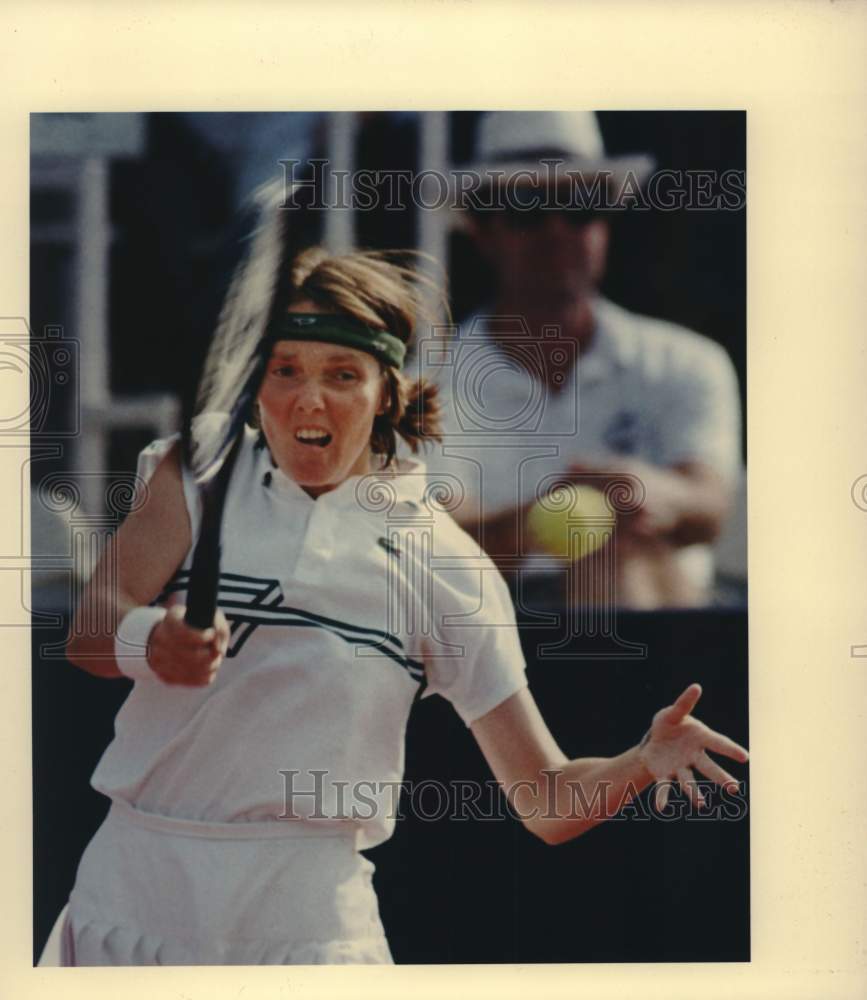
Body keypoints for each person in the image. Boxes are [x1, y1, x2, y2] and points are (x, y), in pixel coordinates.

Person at [47, 235, 748, 965]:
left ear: (387, 391)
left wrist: (640, 759)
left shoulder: (447, 566)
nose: (307, 398)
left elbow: (543, 798)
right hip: (126, 904)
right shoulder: (194, 469)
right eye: (284, 369)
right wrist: (151, 642)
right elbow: (91, 629)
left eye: (341, 374)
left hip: (313, 934)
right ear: (256, 382)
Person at [419, 111, 743, 610]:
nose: (556, 231)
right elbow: (431, 550)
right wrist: (542, 520)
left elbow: (709, 507)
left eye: (579, 204)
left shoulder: (687, 362)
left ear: (605, 221)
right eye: (527, 207)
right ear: (482, 230)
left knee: (620, 560)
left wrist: (652, 493)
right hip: (493, 641)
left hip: (666, 617)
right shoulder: (421, 382)